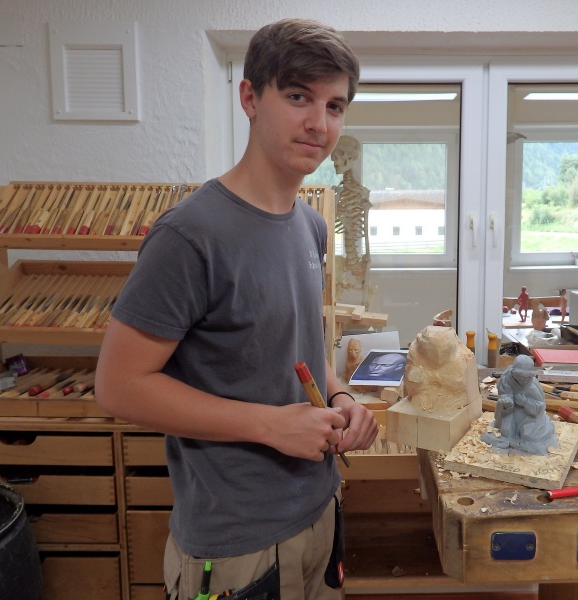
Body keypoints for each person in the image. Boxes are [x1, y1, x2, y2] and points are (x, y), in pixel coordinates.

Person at [95, 18, 378, 600]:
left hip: (318, 509)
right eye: (297, 97)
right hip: (236, 543)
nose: (319, 123)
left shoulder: (309, 226)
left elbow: (298, 354)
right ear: (250, 97)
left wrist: (342, 398)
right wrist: (269, 425)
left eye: (334, 106)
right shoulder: (189, 236)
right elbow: (118, 388)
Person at [481, 355, 557, 455]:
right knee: (505, 431)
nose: (524, 380)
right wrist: (506, 401)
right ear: (514, 373)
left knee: (529, 436)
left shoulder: (533, 386)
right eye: (520, 376)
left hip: (530, 416)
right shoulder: (506, 379)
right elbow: (504, 395)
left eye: (527, 377)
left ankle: (521, 444)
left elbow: (540, 407)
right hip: (511, 412)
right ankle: (511, 441)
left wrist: (525, 402)